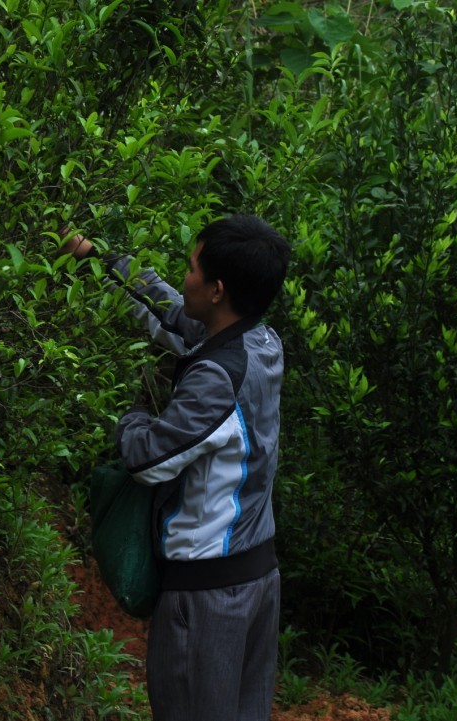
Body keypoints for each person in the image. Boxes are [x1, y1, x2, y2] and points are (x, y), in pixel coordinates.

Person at [59, 215, 291, 721]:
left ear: (217, 289)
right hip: (256, 579)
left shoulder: (216, 378)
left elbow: (148, 458)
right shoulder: (260, 344)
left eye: (191, 268)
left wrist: (131, 418)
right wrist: (99, 260)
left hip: (207, 597)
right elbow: (170, 313)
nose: (182, 277)